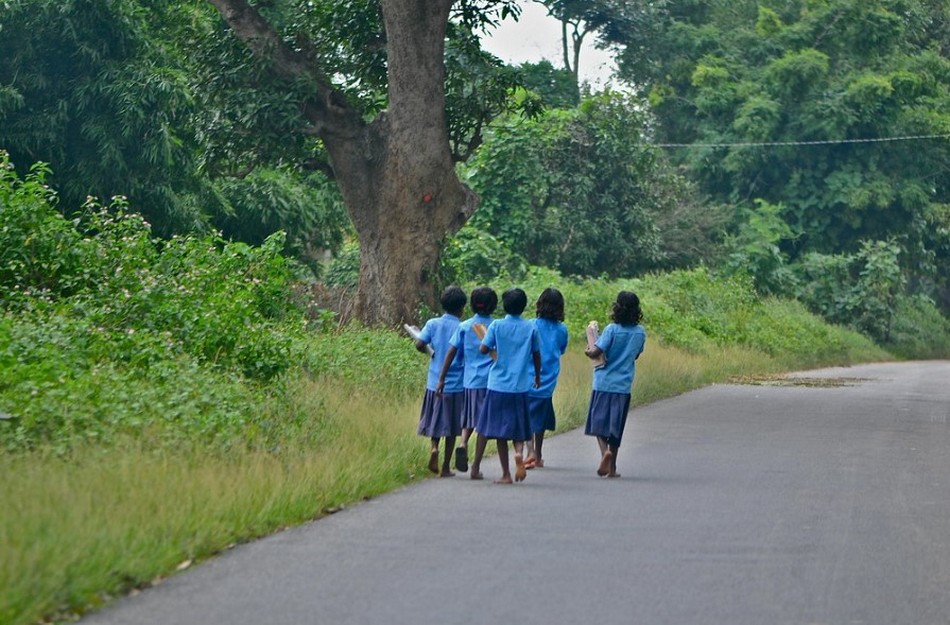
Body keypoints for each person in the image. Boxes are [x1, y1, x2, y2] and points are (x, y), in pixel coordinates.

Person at [475, 288, 541, 484]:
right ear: (523, 306)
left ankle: (505, 474)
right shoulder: (531, 328)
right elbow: (537, 355)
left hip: (497, 385)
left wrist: (491, 348)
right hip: (520, 386)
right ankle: (519, 453)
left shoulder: (496, 325)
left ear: (504, 306)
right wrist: (537, 376)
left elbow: (483, 348)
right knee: (518, 427)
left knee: (500, 433)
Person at [435, 286, 498, 476]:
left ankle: (462, 443)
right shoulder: (496, 325)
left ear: (471, 304)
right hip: (491, 382)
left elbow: (451, 352)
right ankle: (476, 467)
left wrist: (441, 378)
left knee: (469, 419)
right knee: (484, 425)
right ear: (493, 306)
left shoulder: (464, 326)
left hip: (469, 382)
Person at [583, 291, 646, 478]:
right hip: (623, 386)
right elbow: (636, 355)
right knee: (615, 428)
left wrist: (588, 350)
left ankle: (605, 454)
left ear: (617, 308)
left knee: (598, 424)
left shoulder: (611, 329)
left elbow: (596, 353)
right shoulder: (640, 332)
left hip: (603, 383)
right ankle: (612, 468)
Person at [415, 285, 467, 477]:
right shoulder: (463, 327)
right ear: (462, 307)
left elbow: (420, 344)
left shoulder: (432, 323)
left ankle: (434, 448)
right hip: (457, 385)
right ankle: (445, 467)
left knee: (436, 419)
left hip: (434, 381)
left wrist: (430, 352)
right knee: (453, 427)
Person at [525, 288, 568, 469]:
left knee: (526, 417)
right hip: (547, 381)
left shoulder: (530, 325)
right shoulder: (562, 330)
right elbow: (562, 349)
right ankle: (539, 454)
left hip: (526, 378)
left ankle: (529, 452)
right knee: (540, 421)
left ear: (540, 304)